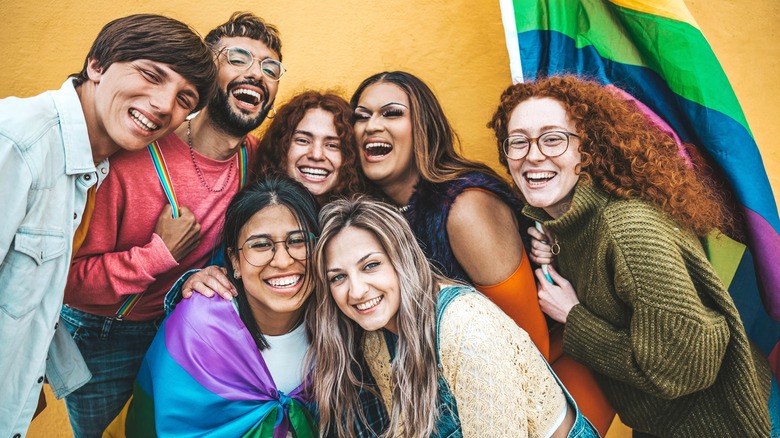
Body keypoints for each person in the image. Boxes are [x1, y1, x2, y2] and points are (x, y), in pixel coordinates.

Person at [488, 75, 776, 436]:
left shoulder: (628, 230)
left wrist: (574, 319)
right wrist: (553, 242)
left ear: (587, 147)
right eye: (518, 142)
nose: (533, 154)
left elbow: (688, 367)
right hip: (663, 424)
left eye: (552, 139)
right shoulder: (573, 220)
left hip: (727, 424)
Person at [61, 12, 283, 437]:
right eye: (238, 59)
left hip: (184, 324)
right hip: (104, 334)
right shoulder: (131, 153)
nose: (256, 73)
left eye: (270, 69)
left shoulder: (258, 157)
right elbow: (70, 281)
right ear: (204, 76)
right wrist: (158, 255)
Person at [0, 13, 215, 437]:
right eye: (151, 75)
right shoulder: (17, 141)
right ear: (96, 65)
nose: (163, 105)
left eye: (185, 99)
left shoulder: (92, 168)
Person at [308, 197, 598, 437]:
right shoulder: (377, 342)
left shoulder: (464, 324)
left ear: (402, 260)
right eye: (338, 277)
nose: (356, 291)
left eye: (370, 265)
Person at [349, 71, 549, 358]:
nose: (371, 126)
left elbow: (530, 343)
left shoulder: (464, 207)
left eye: (392, 113)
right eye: (361, 116)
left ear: (424, 126)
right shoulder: (375, 217)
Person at [105, 175, 319, 437]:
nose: (284, 261)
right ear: (235, 261)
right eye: (261, 245)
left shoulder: (336, 324)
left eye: (298, 241)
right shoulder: (196, 329)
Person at [180, 90, 367, 299]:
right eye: (303, 140)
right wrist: (201, 277)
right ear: (282, 147)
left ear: (350, 156)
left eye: (332, 145)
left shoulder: (359, 223)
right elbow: (221, 270)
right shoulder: (253, 214)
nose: (316, 154)